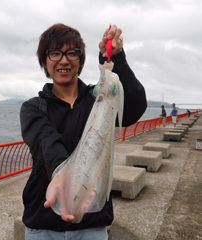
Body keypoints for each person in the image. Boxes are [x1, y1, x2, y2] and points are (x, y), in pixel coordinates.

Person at [20, 23, 147, 240]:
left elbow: (134, 108)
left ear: (80, 60)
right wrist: (62, 174)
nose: (64, 60)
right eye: (55, 53)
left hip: (92, 224)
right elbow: (45, 141)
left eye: (72, 53)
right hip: (43, 225)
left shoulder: (98, 100)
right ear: (45, 60)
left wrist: (117, 60)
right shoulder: (33, 108)